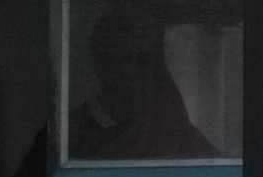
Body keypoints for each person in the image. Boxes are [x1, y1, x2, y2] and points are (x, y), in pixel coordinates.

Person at [68, 9, 218, 160]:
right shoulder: (71, 131)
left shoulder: (174, 129)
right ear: (101, 62)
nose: (136, 71)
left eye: (146, 60)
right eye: (126, 57)